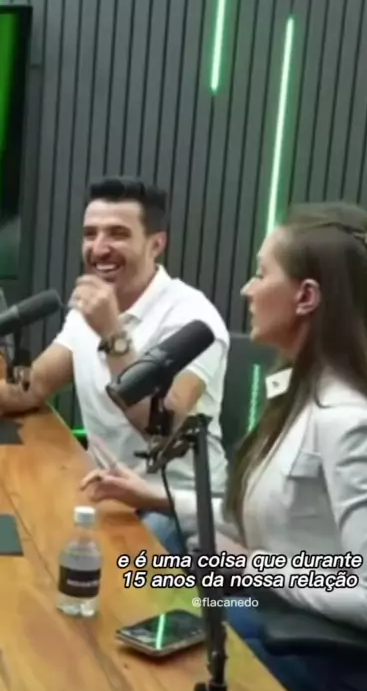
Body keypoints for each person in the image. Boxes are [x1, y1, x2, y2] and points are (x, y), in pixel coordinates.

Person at [81, 200, 367, 691]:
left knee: (158, 674)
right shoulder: (301, 395)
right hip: (283, 615)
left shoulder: (352, 423)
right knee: (146, 583)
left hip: (336, 665)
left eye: (261, 273)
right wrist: (155, 496)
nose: (247, 290)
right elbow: (269, 515)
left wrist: (256, 568)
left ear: (306, 297)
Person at [0, 176, 230, 548]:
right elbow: (32, 388)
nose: (99, 248)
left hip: (171, 504)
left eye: (118, 234)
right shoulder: (89, 309)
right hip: (106, 489)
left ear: (156, 244)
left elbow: (160, 431)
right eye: (90, 234)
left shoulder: (193, 320)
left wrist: (112, 333)